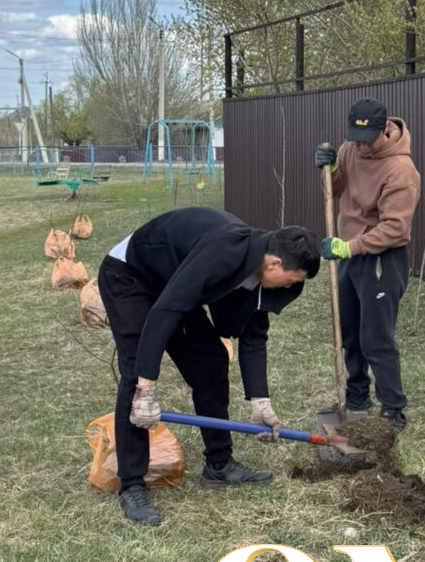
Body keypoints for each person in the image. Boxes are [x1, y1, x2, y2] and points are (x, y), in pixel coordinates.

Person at [97, 207, 320, 526]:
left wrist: (261, 402)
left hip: (174, 280)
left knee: (212, 361)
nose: (289, 288)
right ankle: (131, 484)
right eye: (291, 281)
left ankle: (219, 464)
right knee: (135, 373)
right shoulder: (223, 251)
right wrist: (146, 389)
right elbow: (166, 310)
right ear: (274, 263)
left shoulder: (258, 272)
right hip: (130, 275)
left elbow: (254, 335)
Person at [315, 97, 420, 433]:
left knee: (376, 337)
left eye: (367, 138)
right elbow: (335, 190)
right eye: (355, 136)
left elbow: (395, 228)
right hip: (349, 254)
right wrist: (329, 170)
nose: (359, 144)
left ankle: (393, 409)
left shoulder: (401, 170)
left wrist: (350, 246)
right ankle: (357, 396)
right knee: (349, 332)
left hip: (381, 259)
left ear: (384, 128)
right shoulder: (350, 147)